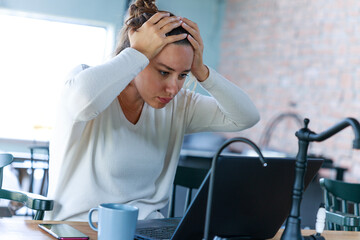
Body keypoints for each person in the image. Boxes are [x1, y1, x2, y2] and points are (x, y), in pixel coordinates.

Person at [46, 0, 260, 221]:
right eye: (164, 72)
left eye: (183, 75)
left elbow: (246, 117)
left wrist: (202, 70)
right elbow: (84, 99)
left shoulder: (180, 105)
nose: (173, 88)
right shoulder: (86, 84)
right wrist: (137, 51)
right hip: (79, 229)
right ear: (138, 59)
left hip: (147, 231)